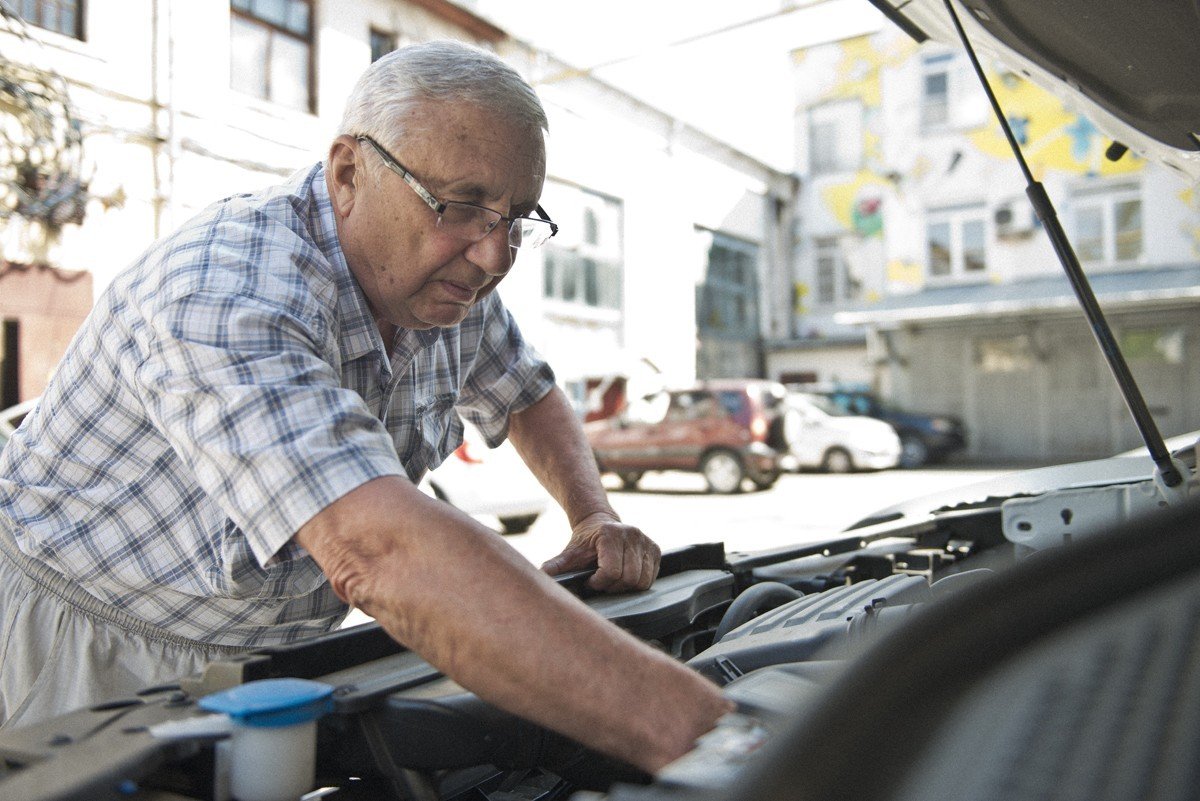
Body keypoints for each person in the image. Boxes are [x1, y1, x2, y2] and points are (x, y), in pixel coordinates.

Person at [0, 41, 731, 772]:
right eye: (463, 204)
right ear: (349, 173)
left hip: (279, 658)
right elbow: (374, 549)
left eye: (517, 216)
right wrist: (717, 742)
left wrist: (592, 512)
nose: (496, 256)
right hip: (88, 653)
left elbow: (528, 393)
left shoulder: (448, 282)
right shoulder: (224, 287)